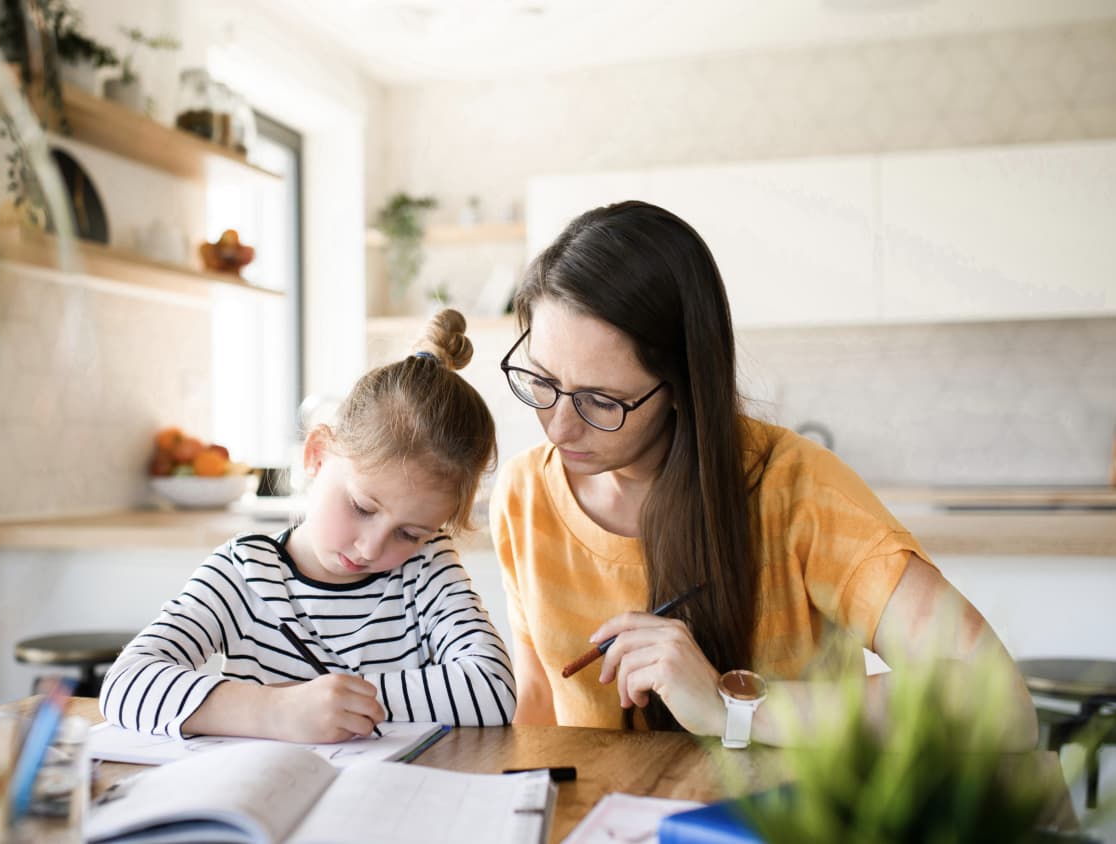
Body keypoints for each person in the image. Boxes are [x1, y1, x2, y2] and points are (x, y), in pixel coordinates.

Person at [491, 200, 1036, 748]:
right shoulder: (522, 494)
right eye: (540, 380)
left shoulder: (797, 489)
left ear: (681, 386)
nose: (558, 429)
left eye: (600, 401)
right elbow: (538, 713)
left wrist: (731, 705)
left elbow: (1000, 704)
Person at [101, 309, 516, 742]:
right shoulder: (244, 572)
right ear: (317, 454)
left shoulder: (426, 568)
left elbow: (494, 688)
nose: (372, 549)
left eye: (409, 534)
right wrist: (275, 711)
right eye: (362, 507)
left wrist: (335, 702)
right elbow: (126, 683)